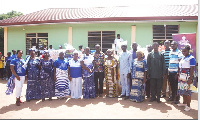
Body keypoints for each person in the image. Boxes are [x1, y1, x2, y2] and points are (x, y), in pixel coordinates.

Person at [177, 45, 196, 111]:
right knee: (183, 90)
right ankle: (184, 103)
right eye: (182, 51)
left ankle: (188, 106)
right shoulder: (183, 58)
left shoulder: (191, 58)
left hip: (187, 77)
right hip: (182, 77)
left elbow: (192, 69)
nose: (183, 52)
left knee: (188, 92)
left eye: (185, 51)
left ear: (188, 51)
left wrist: (190, 78)